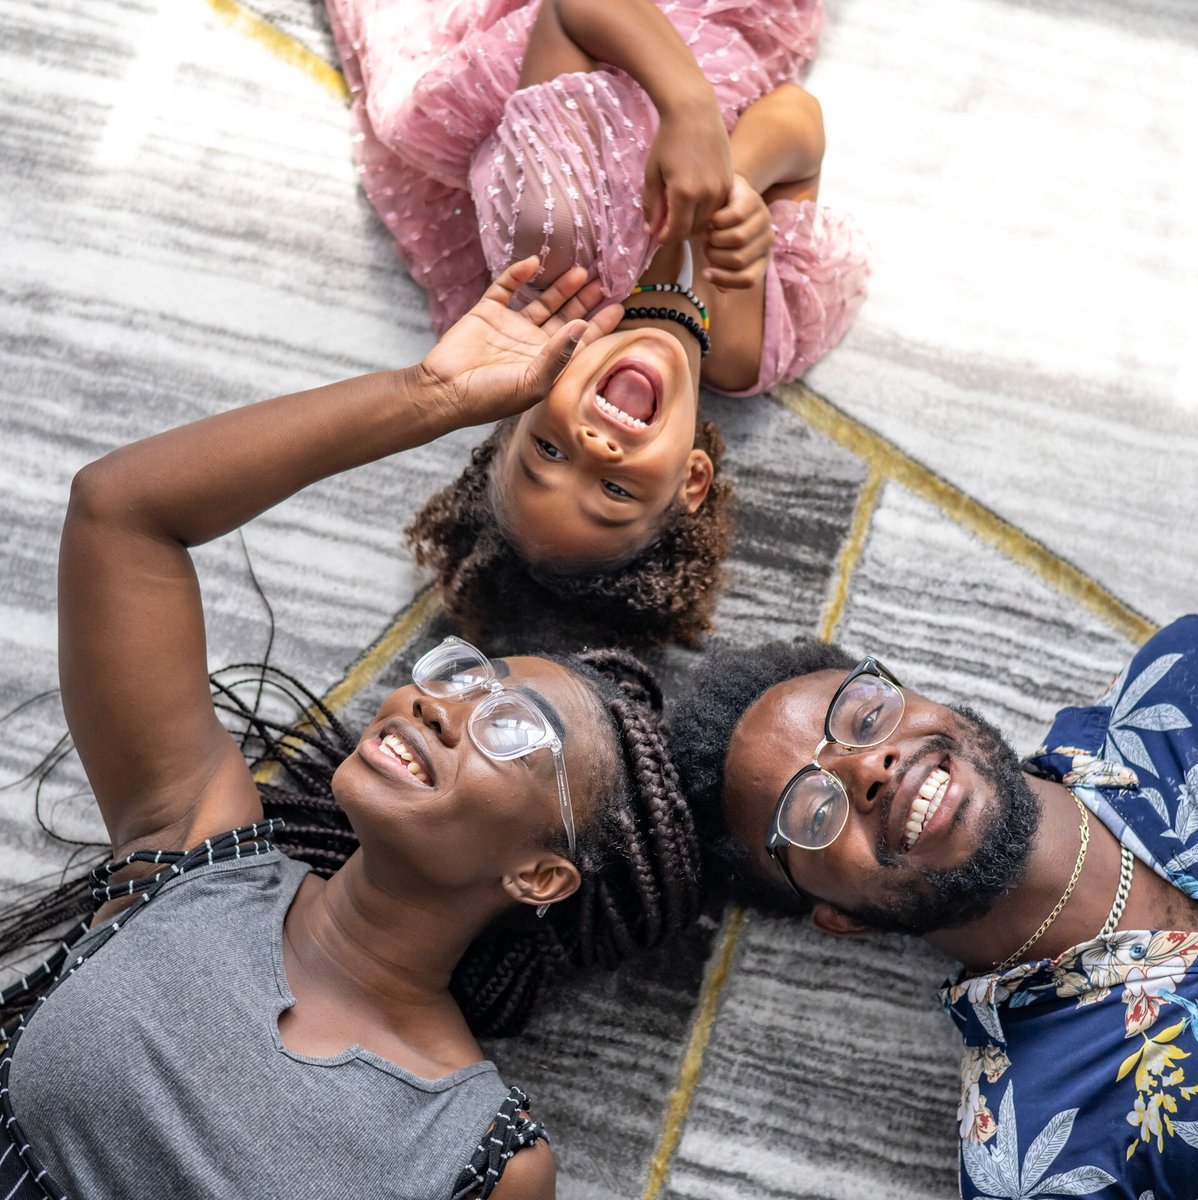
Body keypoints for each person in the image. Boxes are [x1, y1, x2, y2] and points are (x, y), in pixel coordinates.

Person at [0, 260, 703, 1200]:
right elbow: (121, 513)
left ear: (539, 873)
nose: (439, 703)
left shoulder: (480, 1153)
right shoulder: (196, 855)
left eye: (509, 725)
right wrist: (430, 396)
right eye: (461, 678)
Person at [325, 0, 869, 649]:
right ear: (691, 479)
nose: (595, 446)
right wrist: (737, 185)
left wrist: (691, 107)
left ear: (519, 404)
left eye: (548, 450)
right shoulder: (747, 350)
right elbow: (799, 119)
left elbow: (568, 13)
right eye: (614, 489)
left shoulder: (554, 243)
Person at [670, 619, 1198, 1198]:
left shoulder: (1179, 678)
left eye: (865, 719)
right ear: (846, 918)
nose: (869, 767)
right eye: (815, 814)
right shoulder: (1044, 1169)